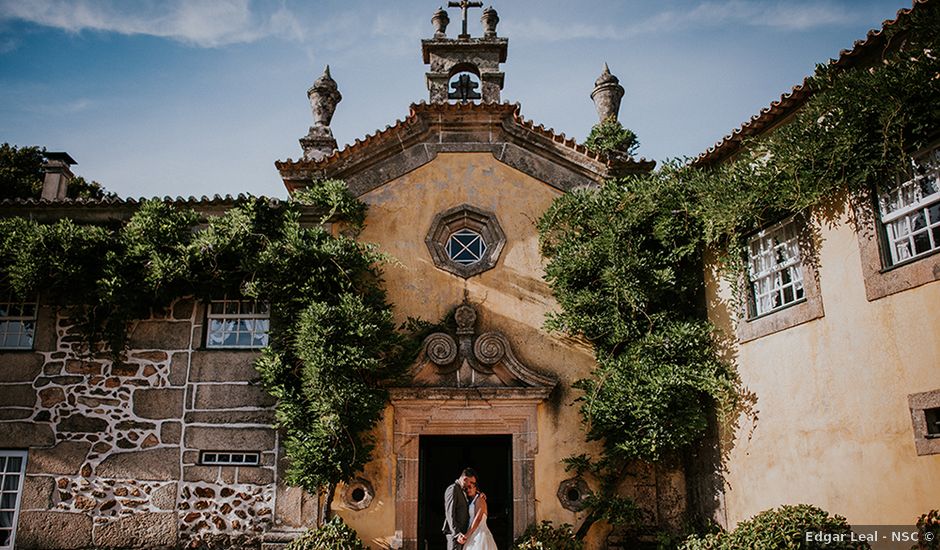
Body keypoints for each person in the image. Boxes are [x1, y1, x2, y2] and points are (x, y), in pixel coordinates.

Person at [443, 468, 476, 550]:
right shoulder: (453, 489)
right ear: (465, 479)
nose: (471, 485)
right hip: (455, 535)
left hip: (462, 534)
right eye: (471, 482)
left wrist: (479, 495)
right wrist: (456, 534)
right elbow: (450, 513)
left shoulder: (464, 491)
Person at [460, 481, 498, 550]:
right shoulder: (471, 501)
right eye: (466, 488)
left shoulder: (480, 499)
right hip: (472, 533)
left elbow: (478, 519)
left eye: (470, 487)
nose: (468, 490)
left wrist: (466, 535)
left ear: (476, 488)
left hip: (479, 534)